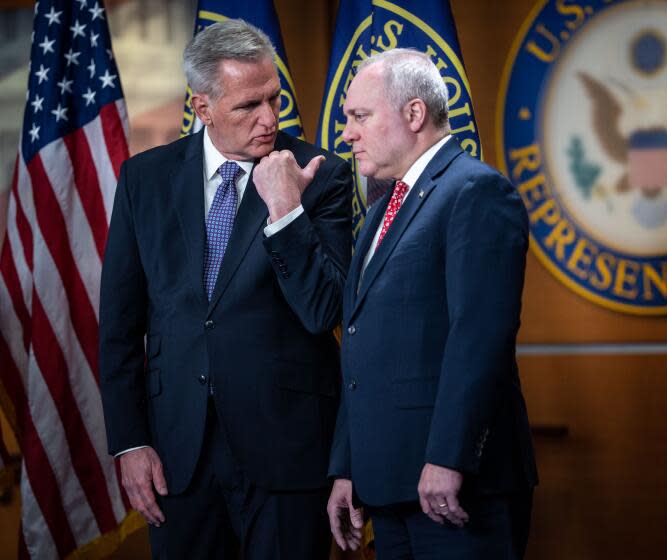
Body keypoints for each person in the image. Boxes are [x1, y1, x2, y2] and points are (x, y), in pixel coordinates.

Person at [99, 19, 352, 559]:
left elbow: (322, 310)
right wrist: (130, 441)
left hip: (287, 450)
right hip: (177, 453)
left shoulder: (319, 173)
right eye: (247, 106)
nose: (268, 119)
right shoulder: (144, 179)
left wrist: (286, 209)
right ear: (202, 107)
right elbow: (120, 327)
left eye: (273, 100)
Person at [326, 49, 538, 559]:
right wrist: (347, 465)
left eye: (360, 116)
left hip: (452, 485)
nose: (347, 134)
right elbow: (361, 344)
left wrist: (450, 457)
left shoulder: (476, 191)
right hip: (388, 486)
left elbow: (479, 336)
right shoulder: (381, 213)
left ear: (414, 114)